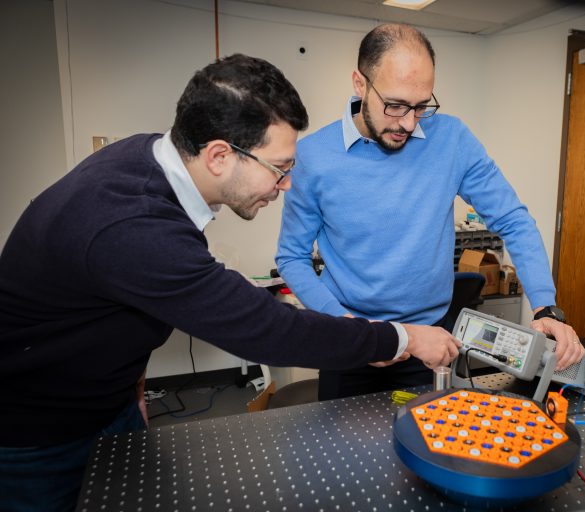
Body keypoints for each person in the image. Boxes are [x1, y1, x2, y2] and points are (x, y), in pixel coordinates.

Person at [0, 54, 461, 512]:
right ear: (220, 155)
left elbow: (114, 307)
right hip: (39, 438)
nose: (284, 186)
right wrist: (403, 337)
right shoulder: (131, 225)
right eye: (279, 168)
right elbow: (269, 330)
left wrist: (131, 391)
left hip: (108, 403)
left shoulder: (148, 161)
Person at [276, 24, 585, 401]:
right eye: (395, 105)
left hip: (431, 343)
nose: (408, 123)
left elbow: (513, 221)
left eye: (421, 106)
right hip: (352, 342)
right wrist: (351, 327)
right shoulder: (313, 157)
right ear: (360, 84)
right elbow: (292, 257)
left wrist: (546, 306)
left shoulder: (452, 139)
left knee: (428, 450)